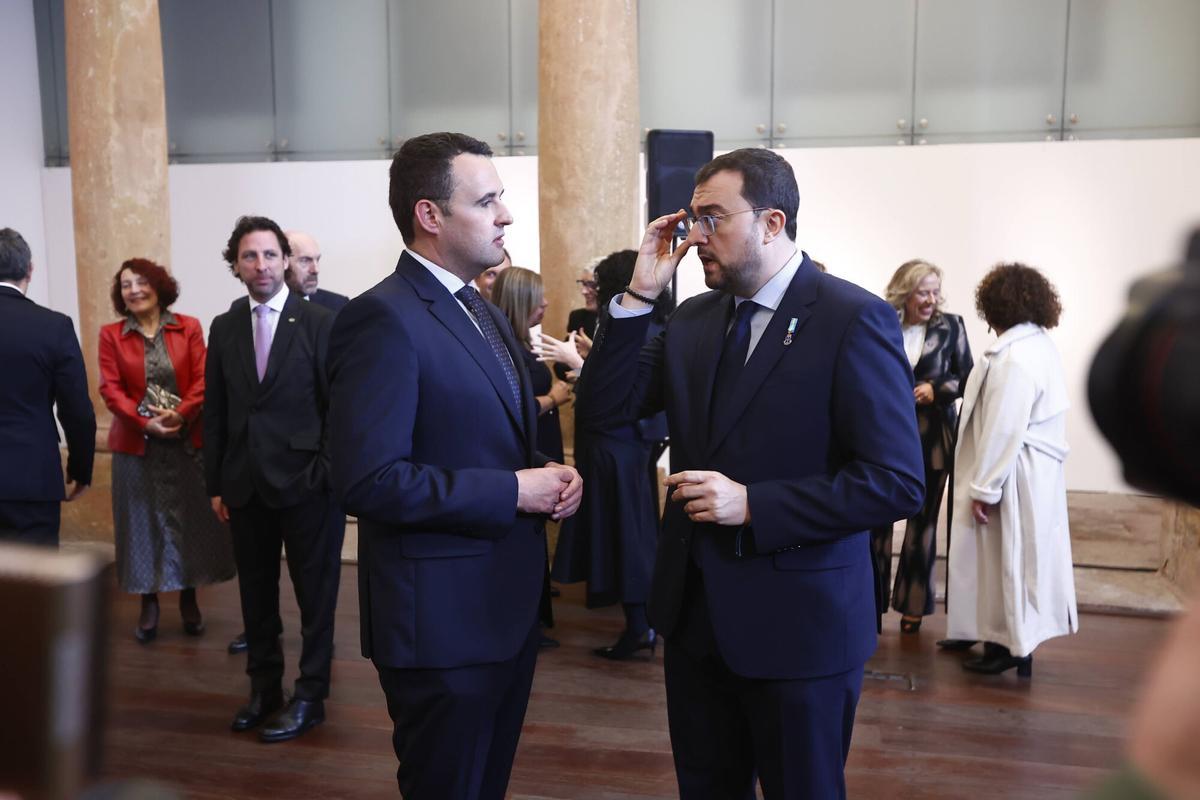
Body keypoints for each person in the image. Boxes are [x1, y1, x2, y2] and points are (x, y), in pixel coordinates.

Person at [576, 148, 924, 799]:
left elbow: (895, 481)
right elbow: (606, 409)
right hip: (693, 618)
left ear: (772, 222)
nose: (696, 238)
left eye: (713, 219)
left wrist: (755, 505)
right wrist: (639, 293)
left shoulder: (852, 319)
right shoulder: (689, 319)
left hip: (802, 626)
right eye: (692, 221)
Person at [325, 131, 582, 799]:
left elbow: (494, 438)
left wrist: (549, 478)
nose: (506, 216)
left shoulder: (482, 312)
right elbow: (370, 479)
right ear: (429, 215)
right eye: (488, 200)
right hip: (440, 625)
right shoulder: (382, 318)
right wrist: (512, 492)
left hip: (503, 610)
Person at [203, 215, 344, 742]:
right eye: (248, 256)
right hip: (245, 487)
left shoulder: (321, 322)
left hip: (308, 486)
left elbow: (339, 411)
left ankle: (311, 696)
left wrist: (325, 473)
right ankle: (264, 690)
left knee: (316, 599)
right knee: (256, 599)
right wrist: (215, 483)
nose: (259, 265)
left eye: (268, 255)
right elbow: (216, 412)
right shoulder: (225, 325)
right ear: (235, 265)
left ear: (286, 260)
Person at [944, 262, 1077, 676]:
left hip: (1014, 474)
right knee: (1016, 559)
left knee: (1010, 559)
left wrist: (985, 488)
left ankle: (1011, 645)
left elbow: (1004, 427)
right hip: (1031, 472)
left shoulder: (1013, 359)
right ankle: (996, 635)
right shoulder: (1037, 346)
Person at [98, 258, 235, 643]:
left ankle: (190, 597)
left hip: (186, 442)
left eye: (141, 282)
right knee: (140, 526)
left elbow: (204, 378)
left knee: (192, 522)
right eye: (126, 285)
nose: (134, 290)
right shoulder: (111, 335)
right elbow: (110, 389)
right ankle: (149, 601)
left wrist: (180, 413)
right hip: (136, 447)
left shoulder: (187, 327)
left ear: (159, 286)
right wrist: (145, 423)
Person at [552, 249, 674, 660]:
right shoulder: (646, 325)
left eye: (599, 283)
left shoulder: (644, 328)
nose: (594, 291)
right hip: (617, 447)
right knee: (625, 537)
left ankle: (642, 626)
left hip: (614, 447)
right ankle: (641, 625)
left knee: (626, 539)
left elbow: (623, 396)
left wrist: (582, 366)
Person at [869, 259, 973, 634]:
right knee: (875, 522)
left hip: (933, 441)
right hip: (884, 437)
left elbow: (967, 377)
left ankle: (913, 605)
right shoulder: (883, 321)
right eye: (923, 292)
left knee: (922, 526)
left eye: (934, 291)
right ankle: (872, 604)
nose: (931, 300)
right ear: (904, 293)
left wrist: (937, 389)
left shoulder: (952, 326)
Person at [493, 266, 572, 648]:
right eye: (537, 297)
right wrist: (555, 397)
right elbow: (518, 406)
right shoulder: (507, 346)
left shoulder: (522, 342)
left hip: (543, 445)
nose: (544, 303)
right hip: (530, 443)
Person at [0, 228, 95, 546]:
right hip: (32, 477)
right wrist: (81, 468)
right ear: (30, 269)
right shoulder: (54, 326)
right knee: (31, 588)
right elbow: (77, 408)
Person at [284, 230, 349, 312]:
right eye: (305, 260)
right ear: (283, 262)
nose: (315, 270)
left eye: (317, 260)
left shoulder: (338, 305)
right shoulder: (264, 307)